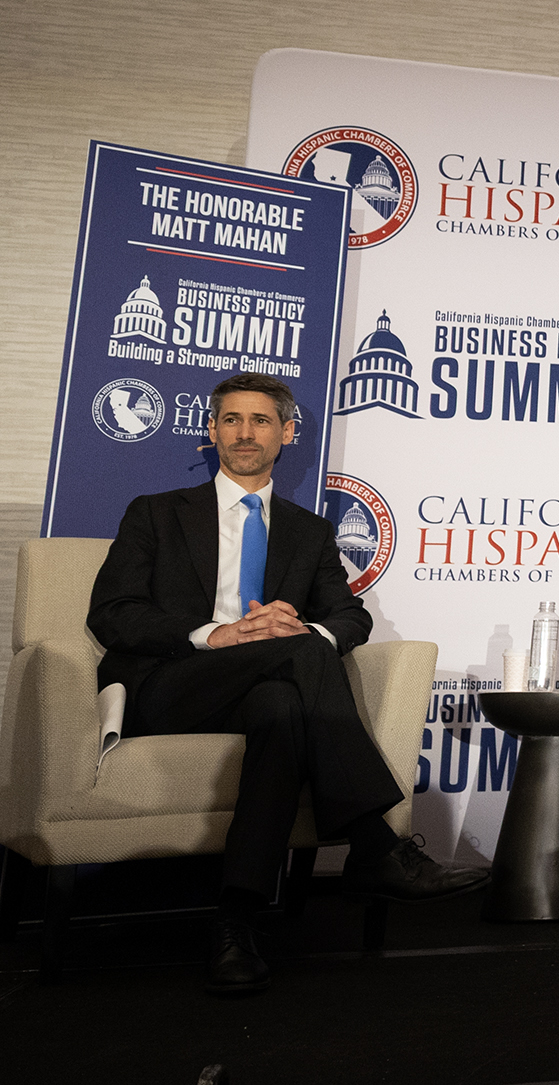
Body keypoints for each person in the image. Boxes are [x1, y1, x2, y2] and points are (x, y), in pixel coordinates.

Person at [86, 373, 487, 996]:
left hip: (261, 691)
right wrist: (216, 634)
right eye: (231, 420)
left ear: (287, 433)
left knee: (281, 705)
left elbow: (350, 616)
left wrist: (301, 631)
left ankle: (235, 922)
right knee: (298, 659)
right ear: (211, 431)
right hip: (172, 686)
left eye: (261, 420)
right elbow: (112, 613)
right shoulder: (157, 513)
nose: (245, 433)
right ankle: (375, 845)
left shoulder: (310, 531)